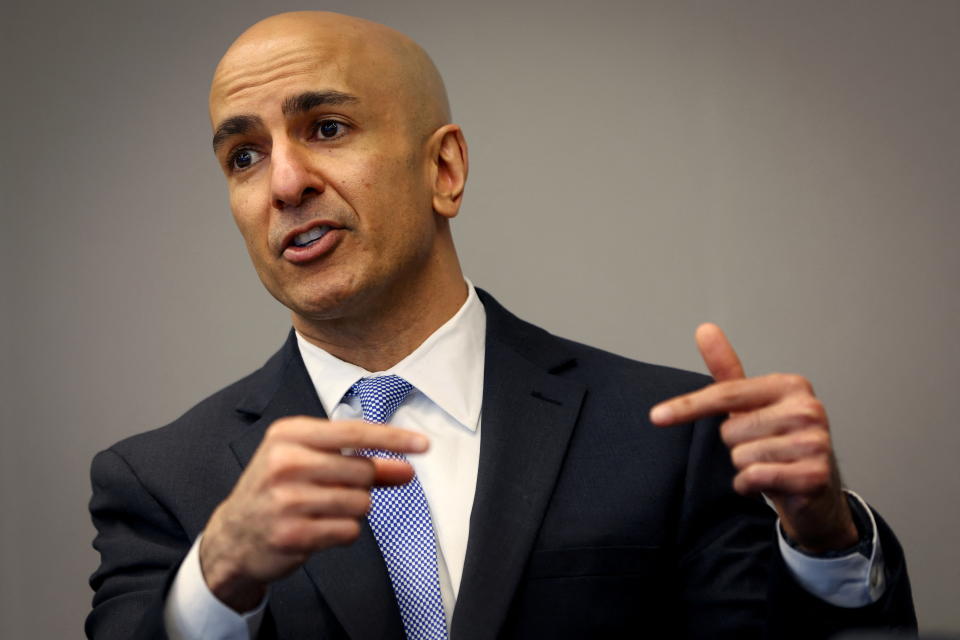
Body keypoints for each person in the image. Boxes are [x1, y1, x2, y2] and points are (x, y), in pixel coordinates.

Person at [86, 11, 916, 639]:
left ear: (443, 169)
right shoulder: (161, 480)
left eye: (327, 129)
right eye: (244, 155)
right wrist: (218, 577)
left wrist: (824, 539)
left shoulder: (671, 433)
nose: (286, 182)